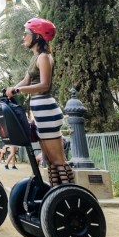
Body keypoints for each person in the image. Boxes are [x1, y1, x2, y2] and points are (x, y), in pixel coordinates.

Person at [5, 17, 72, 185]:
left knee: (58, 161)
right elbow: (26, 81)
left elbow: (44, 85)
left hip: (46, 109)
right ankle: (55, 196)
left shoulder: (43, 57)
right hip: (40, 111)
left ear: (38, 36)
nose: (23, 37)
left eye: (26, 33)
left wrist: (18, 90)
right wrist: (9, 91)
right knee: (49, 162)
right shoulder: (35, 57)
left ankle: (68, 195)